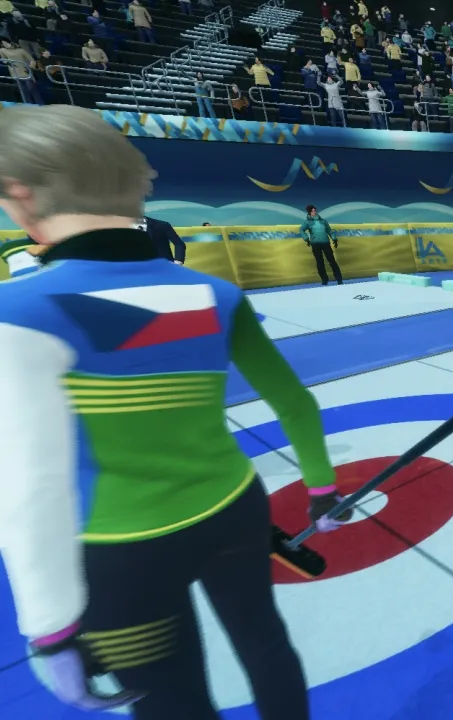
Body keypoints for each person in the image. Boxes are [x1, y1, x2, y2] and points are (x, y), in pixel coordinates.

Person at [0, 104, 349, 719]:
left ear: (22, 192)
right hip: (234, 510)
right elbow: (294, 401)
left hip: (123, 547)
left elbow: (29, 483)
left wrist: (50, 625)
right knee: (266, 645)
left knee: (171, 702)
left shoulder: (20, 311)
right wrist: (321, 488)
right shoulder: (215, 293)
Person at [300, 204, 343, 285]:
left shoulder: (323, 221)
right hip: (315, 244)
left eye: (315, 210)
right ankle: (324, 280)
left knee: (332, 261)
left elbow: (329, 231)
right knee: (320, 262)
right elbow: (301, 230)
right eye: (312, 211)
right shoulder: (307, 222)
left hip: (325, 243)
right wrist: (306, 239)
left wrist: (334, 238)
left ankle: (339, 279)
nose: (314, 212)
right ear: (309, 212)